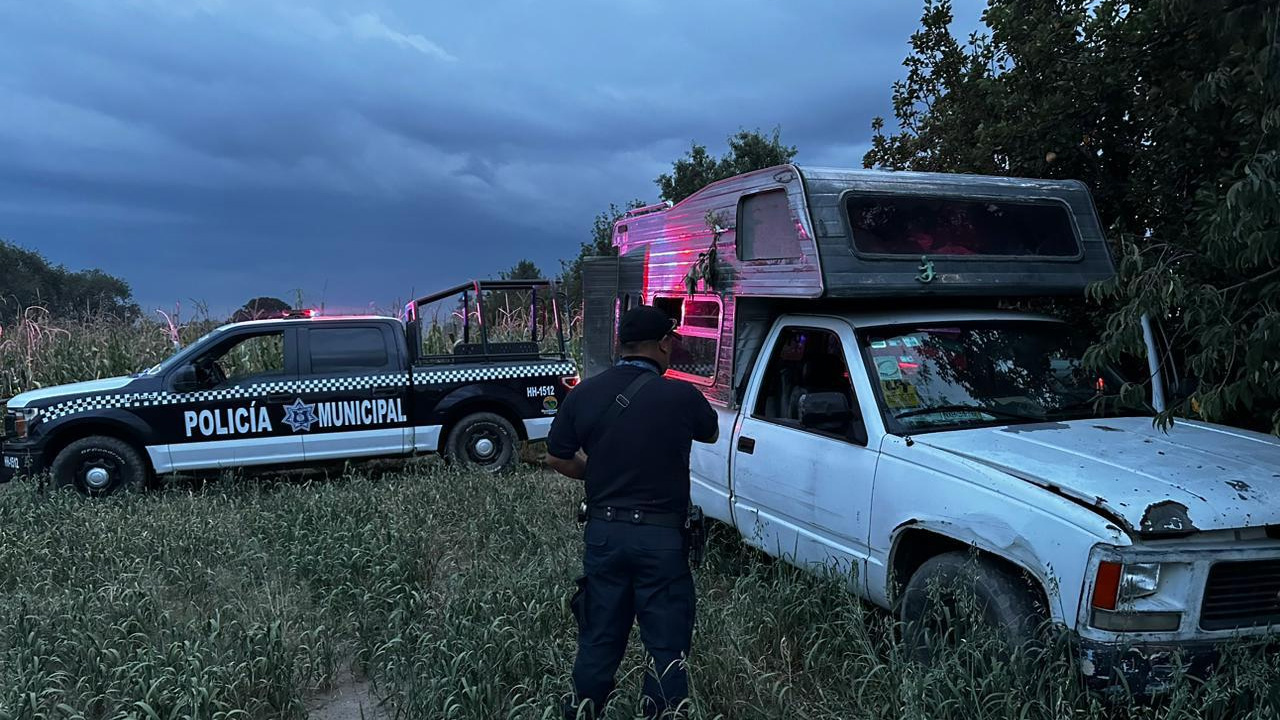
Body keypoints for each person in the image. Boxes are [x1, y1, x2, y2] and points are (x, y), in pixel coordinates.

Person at [545, 304, 719, 720]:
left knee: (599, 640)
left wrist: (596, 474)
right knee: (666, 647)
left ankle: (584, 712)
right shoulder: (680, 396)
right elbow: (709, 432)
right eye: (670, 344)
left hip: (604, 535)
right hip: (662, 542)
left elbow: (556, 457)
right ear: (662, 344)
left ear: (622, 344)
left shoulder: (584, 392)